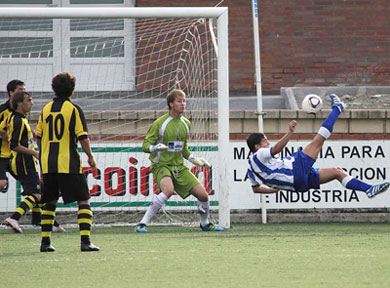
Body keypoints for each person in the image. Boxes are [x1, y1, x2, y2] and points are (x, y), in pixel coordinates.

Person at [246, 94, 390, 198]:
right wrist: (290, 132)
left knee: (337, 172)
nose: (268, 143)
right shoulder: (259, 154)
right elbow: (277, 149)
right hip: (295, 170)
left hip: (297, 186)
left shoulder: (251, 169)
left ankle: (369, 189)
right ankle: (338, 108)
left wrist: (273, 190)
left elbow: (256, 189)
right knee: (318, 140)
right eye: (265, 141)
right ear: (257, 146)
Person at [135, 89, 224, 232]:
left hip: (179, 167)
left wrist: (194, 159)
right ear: (171, 104)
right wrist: (155, 147)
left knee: (203, 195)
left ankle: (205, 223)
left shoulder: (186, 123)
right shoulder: (160, 123)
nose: (183, 104)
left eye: (184, 101)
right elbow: (145, 146)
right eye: (179, 101)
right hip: (161, 165)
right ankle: (142, 223)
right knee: (168, 191)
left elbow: (183, 148)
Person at [36, 72, 98, 252]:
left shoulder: (45, 109)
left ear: (53, 88)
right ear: (72, 89)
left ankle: (45, 242)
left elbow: (38, 137)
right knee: (84, 200)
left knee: (50, 201)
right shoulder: (74, 109)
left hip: (48, 163)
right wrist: (90, 157)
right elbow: (83, 136)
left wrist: (45, 152)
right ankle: (85, 241)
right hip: (68, 162)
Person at [0, 80, 25, 193]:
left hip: (16, 155)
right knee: (2, 183)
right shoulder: (2, 110)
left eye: (24, 90)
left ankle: (37, 210)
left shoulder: (23, 110)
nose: (23, 92)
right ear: (11, 92)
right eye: (20, 90)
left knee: (31, 184)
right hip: (1, 155)